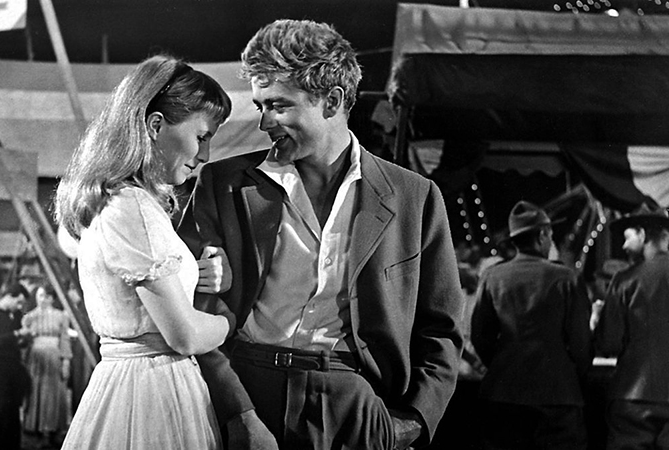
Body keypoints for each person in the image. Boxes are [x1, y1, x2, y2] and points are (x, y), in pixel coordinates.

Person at [178, 19, 464, 450]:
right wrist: (238, 412)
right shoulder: (223, 184)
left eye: (278, 105)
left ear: (332, 100)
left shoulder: (414, 196)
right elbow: (196, 306)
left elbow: (441, 328)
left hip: (357, 405)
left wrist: (411, 424)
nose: (264, 123)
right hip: (246, 392)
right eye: (260, 106)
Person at [54, 54, 235, 449]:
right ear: (155, 126)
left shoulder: (122, 202)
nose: (205, 155)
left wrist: (200, 273)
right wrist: (230, 322)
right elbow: (184, 335)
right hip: (152, 391)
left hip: (135, 383)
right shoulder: (132, 206)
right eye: (202, 136)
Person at [471, 201, 593, 450]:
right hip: (558, 395)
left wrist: (503, 364)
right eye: (550, 235)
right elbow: (581, 343)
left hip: (502, 393)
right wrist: (571, 374)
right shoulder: (567, 278)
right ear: (542, 235)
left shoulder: (492, 277)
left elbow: (480, 336)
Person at [595, 206, 669, 450]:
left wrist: (597, 319)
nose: (624, 246)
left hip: (633, 397)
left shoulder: (624, 281)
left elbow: (609, 343)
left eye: (628, 237)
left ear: (643, 235)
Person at [0, 282, 33, 450]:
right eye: (18, 302)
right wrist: (17, 334)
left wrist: (24, 339)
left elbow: (16, 342)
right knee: (4, 410)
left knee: (14, 412)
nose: (20, 306)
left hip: (14, 366)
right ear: (9, 296)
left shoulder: (15, 316)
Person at [21, 283, 72, 447]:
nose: (42, 299)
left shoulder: (61, 316)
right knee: (36, 390)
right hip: (35, 359)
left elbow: (64, 339)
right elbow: (23, 341)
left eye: (46, 296)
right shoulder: (29, 317)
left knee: (53, 392)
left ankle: (52, 429)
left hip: (54, 357)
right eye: (40, 296)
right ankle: (36, 430)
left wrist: (65, 361)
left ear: (52, 298)